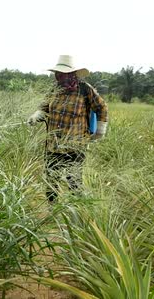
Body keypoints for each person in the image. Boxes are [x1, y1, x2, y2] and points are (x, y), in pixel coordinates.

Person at [28, 55, 108, 202]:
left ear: (72, 74)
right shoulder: (55, 89)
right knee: (51, 181)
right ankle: (53, 212)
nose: (60, 76)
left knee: (74, 183)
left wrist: (100, 130)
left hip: (75, 146)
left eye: (64, 73)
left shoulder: (84, 89)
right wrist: (37, 115)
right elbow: (45, 106)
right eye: (58, 73)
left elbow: (101, 107)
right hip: (53, 145)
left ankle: (75, 215)